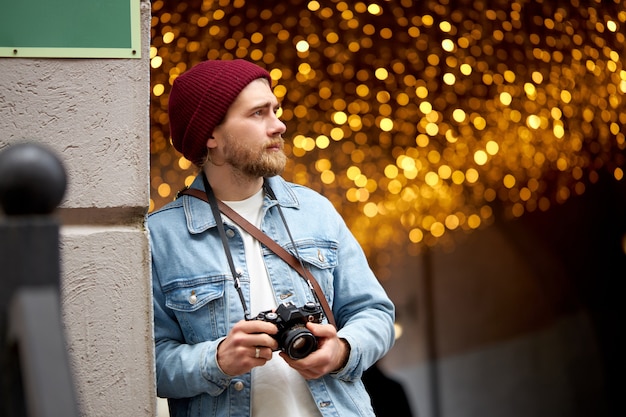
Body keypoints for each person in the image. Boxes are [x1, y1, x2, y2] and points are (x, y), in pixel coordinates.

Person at [148, 59, 396, 417]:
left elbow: (374, 313)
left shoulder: (316, 211)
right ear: (211, 135)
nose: (278, 125)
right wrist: (217, 359)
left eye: (275, 110)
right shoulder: (161, 237)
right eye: (258, 113)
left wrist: (342, 349)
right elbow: (148, 363)